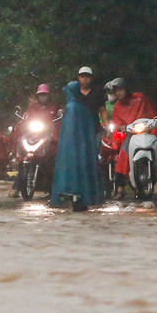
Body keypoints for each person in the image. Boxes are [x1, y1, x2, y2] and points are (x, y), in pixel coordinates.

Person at [51, 66, 108, 211]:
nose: (85, 79)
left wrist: (107, 126)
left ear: (91, 78)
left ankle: (85, 196)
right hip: (72, 140)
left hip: (89, 135)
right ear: (78, 77)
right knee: (75, 164)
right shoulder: (71, 100)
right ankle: (74, 195)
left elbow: (102, 110)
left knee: (87, 163)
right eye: (82, 76)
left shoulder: (95, 93)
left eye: (87, 76)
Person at [106, 77, 157, 190]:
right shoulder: (118, 106)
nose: (118, 93)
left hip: (147, 131)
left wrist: (155, 121)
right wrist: (121, 126)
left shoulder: (140, 98)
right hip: (131, 134)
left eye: (120, 90)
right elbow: (117, 121)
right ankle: (120, 188)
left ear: (126, 89)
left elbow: (151, 112)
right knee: (123, 154)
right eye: (116, 91)